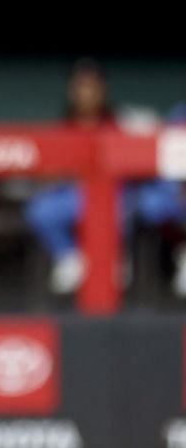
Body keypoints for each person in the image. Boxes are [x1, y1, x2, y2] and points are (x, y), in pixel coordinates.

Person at [23, 60, 186, 296]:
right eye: (81, 87)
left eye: (92, 87)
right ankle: (72, 258)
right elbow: (44, 172)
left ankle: (114, 258)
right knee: (42, 210)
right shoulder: (63, 127)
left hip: (118, 195)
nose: (87, 94)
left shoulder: (122, 122)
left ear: (102, 90)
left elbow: (143, 163)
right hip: (73, 195)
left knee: (146, 203)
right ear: (72, 91)